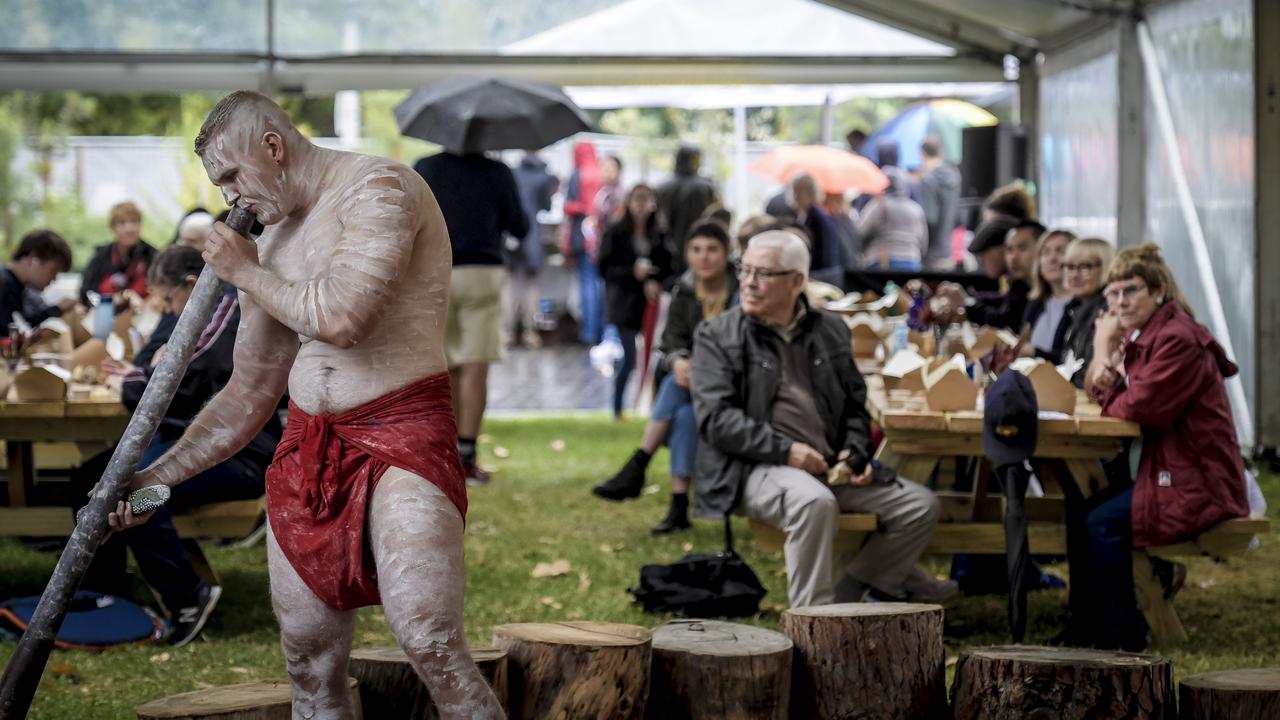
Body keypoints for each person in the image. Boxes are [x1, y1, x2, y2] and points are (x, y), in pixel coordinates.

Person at [108, 90, 504, 719]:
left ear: (273, 145)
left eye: (234, 174)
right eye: (220, 183)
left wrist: (247, 273)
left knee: (432, 645)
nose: (232, 194)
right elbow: (248, 392)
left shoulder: (379, 187)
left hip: (401, 433)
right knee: (309, 663)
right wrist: (153, 484)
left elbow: (343, 318)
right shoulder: (268, 241)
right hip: (308, 445)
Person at [690, 229, 950, 607]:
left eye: (762, 273)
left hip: (828, 466)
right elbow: (716, 420)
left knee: (920, 506)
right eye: (744, 270)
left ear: (797, 282)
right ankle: (813, 623)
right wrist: (787, 451)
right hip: (755, 467)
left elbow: (854, 408)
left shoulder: (830, 329)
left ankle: (854, 591)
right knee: (814, 503)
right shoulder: (717, 335)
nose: (748, 282)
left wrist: (855, 451)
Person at [79, 245, 281, 647]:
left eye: (169, 300)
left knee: (137, 496)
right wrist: (145, 371)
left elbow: (181, 378)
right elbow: (152, 358)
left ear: (192, 285)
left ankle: (187, 594)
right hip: (192, 443)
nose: (167, 310)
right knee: (91, 477)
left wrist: (140, 379)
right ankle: (108, 597)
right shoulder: (187, 313)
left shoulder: (227, 307)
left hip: (239, 454)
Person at [1084, 243, 1249, 650]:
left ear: (1158, 290)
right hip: (1167, 468)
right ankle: (1089, 624)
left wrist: (1106, 356)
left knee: (1101, 522)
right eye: (1113, 293)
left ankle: (1124, 635)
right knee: (1080, 505)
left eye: (1131, 290)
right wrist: (1111, 373)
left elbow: (1139, 407)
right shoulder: (1150, 333)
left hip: (1196, 480)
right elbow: (1100, 391)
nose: (1120, 301)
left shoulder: (1176, 339)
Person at [593, 221, 737, 534]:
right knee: (683, 414)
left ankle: (640, 463)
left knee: (674, 385)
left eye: (713, 249)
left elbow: (741, 344)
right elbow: (670, 340)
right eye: (696, 250)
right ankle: (678, 506)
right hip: (694, 384)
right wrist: (678, 360)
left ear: (726, 253)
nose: (704, 257)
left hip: (734, 383)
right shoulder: (685, 289)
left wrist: (697, 365)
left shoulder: (740, 289)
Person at [413, 148, 529, 486]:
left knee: (443, 365)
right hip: (483, 272)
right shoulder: (498, 172)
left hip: (435, 270)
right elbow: (519, 227)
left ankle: (442, 454)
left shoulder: (426, 167)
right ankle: (466, 457)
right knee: (475, 366)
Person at [597, 184, 672, 418]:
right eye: (637, 201)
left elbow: (670, 266)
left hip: (649, 305)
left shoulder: (658, 234)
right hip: (624, 304)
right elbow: (604, 268)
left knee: (652, 356)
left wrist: (653, 279)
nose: (641, 207)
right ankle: (618, 408)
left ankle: (647, 405)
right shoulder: (616, 232)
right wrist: (633, 273)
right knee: (629, 357)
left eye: (646, 201)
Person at [937, 219, 1043, 331]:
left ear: (1042, 249)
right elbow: (1001, 300)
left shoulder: (1048, 291)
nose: (1013, 257)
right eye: (1010, 250)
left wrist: (966, 303)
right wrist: (967, 299)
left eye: (1022, 248)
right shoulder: (1021, 284)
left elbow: (1005, 322)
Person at [507, 152, 556, 348]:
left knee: (510, 286)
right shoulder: (543, 176)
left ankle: (507, 333)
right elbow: (547, 206)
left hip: (511, 235)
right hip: (532, 234)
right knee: (531, 286)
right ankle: (529, 332)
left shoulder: (512, 172)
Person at [564, 141, 605, 344]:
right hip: (600, 239)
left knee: (587, 284)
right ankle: (601, 331)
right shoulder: (601, 172)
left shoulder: (577, 174)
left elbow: (569, 206)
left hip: (581, 237)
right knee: (599, 284)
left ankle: (588, 333)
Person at [80, 200, 158, 306]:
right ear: (113, 228)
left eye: (134, 221)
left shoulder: (153, 256)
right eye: (122, 223)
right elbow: (85, 292)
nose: (129, 228)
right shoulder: (101, 256)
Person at [1060, 237, 1114, 387]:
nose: (1075, 275)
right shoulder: (1078, 309)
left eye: (1085, 267)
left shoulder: (1106, 311)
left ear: (1106, 267)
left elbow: (1087, 375)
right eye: (1070, 267)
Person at [1020, 229, 1078, 362]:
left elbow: (1074, 361)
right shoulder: (1035, 302)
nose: (1052, 258)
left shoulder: (1081, 305)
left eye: (1061, 251)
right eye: (1045, 252)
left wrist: (1036, 353)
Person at [656, 145, 717, 270]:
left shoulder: (661, 187)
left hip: (666, 247)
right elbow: (716, 215)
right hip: (700, 245)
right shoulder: (706, 187)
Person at [857, 167, 927, 272]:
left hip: (881, 261)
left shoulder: (878, 205)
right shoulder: (916, 209)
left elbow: (860, 232)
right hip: (912, 261)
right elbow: (923, 241)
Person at [1, 229, 75, 328]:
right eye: (53, 270)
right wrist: (57, 309)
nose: (54, 279)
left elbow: (28, 322)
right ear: (34, 260)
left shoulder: (22, 289)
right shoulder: (4, 285)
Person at [919, 136, 961, 270]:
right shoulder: (955, 177)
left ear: (923, 154)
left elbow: (930, 218)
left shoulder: (928, 181)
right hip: (948, 250)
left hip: (931, 253)